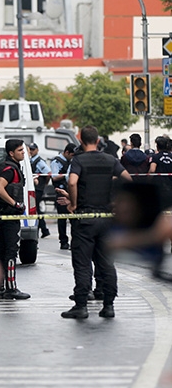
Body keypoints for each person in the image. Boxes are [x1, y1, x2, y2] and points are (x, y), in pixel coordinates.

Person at [61, 125, 131, 320]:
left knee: (83, 263)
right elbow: (128, 178)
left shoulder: (79, 160)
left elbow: (73, 182)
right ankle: (108, 305)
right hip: (107, 218)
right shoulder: (111, 159)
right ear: (98, 139)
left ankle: (81, 306)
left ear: (81, 140)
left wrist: (73, 204)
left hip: (85, 218)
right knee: (107, 263)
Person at [0, 138, 31, 300]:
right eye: (20, 150)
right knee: (11, 252)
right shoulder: (10, 169)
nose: (23, 153)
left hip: (6, 214)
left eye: (24, 150)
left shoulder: (12, 167)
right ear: (11, 153)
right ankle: (10, 289)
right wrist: (15, 204)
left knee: (2, 252)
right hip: (9, 215)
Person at [50, 143, 77, 250]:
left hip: (70, 191)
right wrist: (66, 175)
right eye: (72, 155)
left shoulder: (71, 162)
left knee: (73, 218)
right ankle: (63, 241)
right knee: (62, 218)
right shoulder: (56, 162)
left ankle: (74, 240)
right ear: (67, 152)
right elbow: (54, 177)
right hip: (60, 191)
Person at [28, 143, 51, 238]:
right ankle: (44, 229)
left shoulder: (38, 161)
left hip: (38, 189)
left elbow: (48, 173)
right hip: (34, 188)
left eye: (33, 149)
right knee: (36, 208)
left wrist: (43, 184)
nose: (31, 151)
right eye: (30, 149)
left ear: (37, 150)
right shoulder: (30, 160)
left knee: (35, 208)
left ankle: (42, 229)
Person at [148, 136, 172, 209]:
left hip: (159, 185)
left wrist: (148, 179)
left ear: (157, 146)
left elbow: (152, 170)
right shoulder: (171, 156)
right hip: (170, 184)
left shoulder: (155, 157)